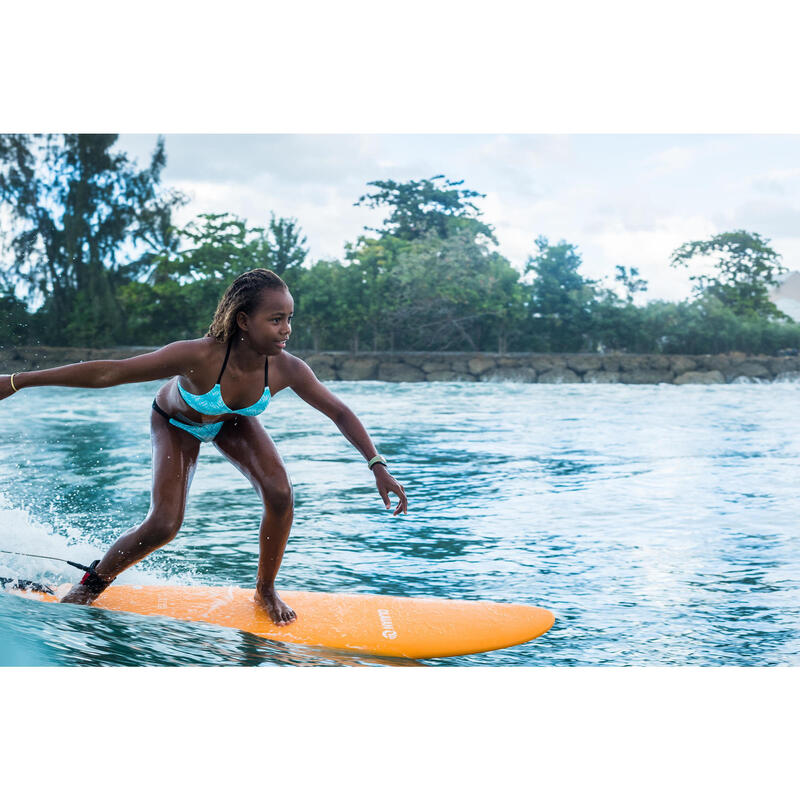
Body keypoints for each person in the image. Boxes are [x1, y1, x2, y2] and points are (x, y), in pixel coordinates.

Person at [0, 268, 408, 625]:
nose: (286, 329)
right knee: (164, 525)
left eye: (289, 319)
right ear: (244, 320)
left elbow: (338, 411)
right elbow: (112, 372)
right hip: (175, 423)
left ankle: (264, 590)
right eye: (276, 319)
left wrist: (377, 464)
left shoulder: (287, 369)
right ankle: (92, 584)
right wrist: (18, 381)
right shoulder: (199, 355)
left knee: (281, 494)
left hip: (233, 422)